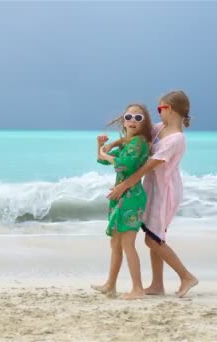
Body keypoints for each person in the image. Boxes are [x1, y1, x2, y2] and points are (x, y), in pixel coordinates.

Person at [107, 90, 199, 298]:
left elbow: (148, 166)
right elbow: (138, 136)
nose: (158, 113)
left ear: (172, 110)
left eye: (161, 108)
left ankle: (186, 276)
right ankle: (157, 284)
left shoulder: (176, 139)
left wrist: (124, 186)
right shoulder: (160, 129)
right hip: (152, 187)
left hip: (165, 191)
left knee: (153, 239)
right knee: (153, 233)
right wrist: (114, 144)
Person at [92, 103, 153, 300]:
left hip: (131, 196)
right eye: (129, 117)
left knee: (127, 243)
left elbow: (121, 165)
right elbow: (102, 160)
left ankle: (138, 289)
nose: (133, 121)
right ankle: (110, 285)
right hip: (120, 195)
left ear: (144, 124)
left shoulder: (139, 143)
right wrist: (100, 146)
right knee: (115, 243)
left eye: (138, 118)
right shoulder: (128, 143)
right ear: (124, 120)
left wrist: (106, 154)